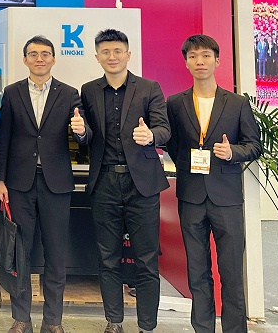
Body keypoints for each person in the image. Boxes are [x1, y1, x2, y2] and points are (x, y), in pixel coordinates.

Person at [166, 35, 262, 333]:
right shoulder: (176, 103)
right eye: (193, 56)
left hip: (227, 198)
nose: (200, 62)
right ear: (186, 63)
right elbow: (173, 145)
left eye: (206, 56)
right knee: (197, 272)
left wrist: (233, 153)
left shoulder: (237, 103)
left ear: (217, 60)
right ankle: (203, 328)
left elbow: (254, 145)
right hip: (191, 197)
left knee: (231, 272)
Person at [0, 36, 90, 333]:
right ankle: (21, 318)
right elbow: (5, 138)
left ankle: (53, 321)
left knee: (56, 254)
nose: (40, 59)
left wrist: (82, 130)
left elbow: (84, 137)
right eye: (33, 54)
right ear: (25, 59)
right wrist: (0, 180)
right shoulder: (12, 93)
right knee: (20, 253)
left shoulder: (69, 93)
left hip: (56, 184)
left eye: (45, 54)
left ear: (53, 59)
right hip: (19, 183)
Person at [80, 29, 170, 333]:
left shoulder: (149, 88)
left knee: (146, 259)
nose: (112, 57)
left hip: (141, 184)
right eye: (105, 52)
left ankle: (147, 326)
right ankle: (114, 322)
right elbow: (88, 138)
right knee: (107, 258)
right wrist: (80, 131)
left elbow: (164, 129)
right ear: (97, 57)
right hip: (104, 181)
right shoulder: (89, 90)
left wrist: (151, 135)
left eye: (118, 51)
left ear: (128, 54)